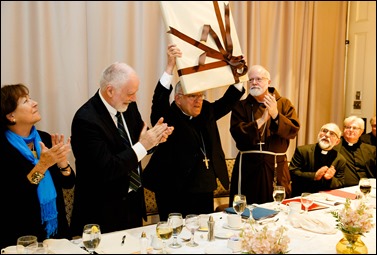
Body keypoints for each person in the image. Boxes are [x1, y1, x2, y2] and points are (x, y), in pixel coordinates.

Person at [142, 44, 245, 221]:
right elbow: (159, 100)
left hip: (203, 185)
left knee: (203, 232)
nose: (198, 101)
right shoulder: (167, 116)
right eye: (192, 96)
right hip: (172, 188)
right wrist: (170, 67)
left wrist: (238, 73)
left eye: (201, 96)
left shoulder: (206, 111)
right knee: (175, 236)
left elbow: (228, 101)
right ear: (178, 99)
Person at [70, 62, 173, 236]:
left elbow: (136, 148)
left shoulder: (128, 107)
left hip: (132, 204)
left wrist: (155, 140)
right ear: (110, 90)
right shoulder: (86, 120)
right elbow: (107, 168)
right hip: (102, 212)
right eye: (130, 93)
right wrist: (144, 145)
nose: (134, 99)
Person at [0, 84, 75, 249]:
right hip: (22, 237)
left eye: (31, 98)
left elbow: (69, 183)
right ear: (11, 115)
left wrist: (63, 164)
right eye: (26, 101)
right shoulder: (4, 149)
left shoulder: (45, 139)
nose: (34, 103)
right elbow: (16, 196)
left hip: (57, 231)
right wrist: (42, 166)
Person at [228, 65, 300, 206]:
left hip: (275, 165)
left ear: (269, 81)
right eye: (251, 80)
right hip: (247, 166)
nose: (254, 83)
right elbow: (237, 133)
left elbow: (293, 130)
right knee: (245, 209)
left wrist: (275, 115)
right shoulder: (241, 106)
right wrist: (261, 121)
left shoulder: (284, 104)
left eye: (259, 79)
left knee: (277, 209)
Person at [289, 123, 346, 197]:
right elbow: (292, 173)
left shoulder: (340, 159)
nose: (327, 135)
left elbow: (340, 183)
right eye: (324, 131)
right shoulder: (302, 151)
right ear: (319, 134)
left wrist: (330, 179)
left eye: (332, 133)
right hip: (301, 195)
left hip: (326, 198)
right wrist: (314, 176)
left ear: (337, 142)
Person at [334, 115, 376, 186]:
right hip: (342, 188)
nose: (351, 130)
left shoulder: (371, 150)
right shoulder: (334, 146)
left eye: (355, 128)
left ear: (361, 131)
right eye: (348, 127)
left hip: (366, 188)